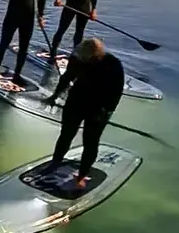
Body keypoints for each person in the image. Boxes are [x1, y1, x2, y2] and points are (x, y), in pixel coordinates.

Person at [42, 37, 125, 189]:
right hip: (77, 101)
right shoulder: (79, 58)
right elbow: (67, 77)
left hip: (99, 108)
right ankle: (55, 163)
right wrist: (55, 96)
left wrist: (107, 111)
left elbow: (116, 91)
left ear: (95, 56)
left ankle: (81, 176)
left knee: (91, 142)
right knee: (66, 134)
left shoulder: (113, 65)